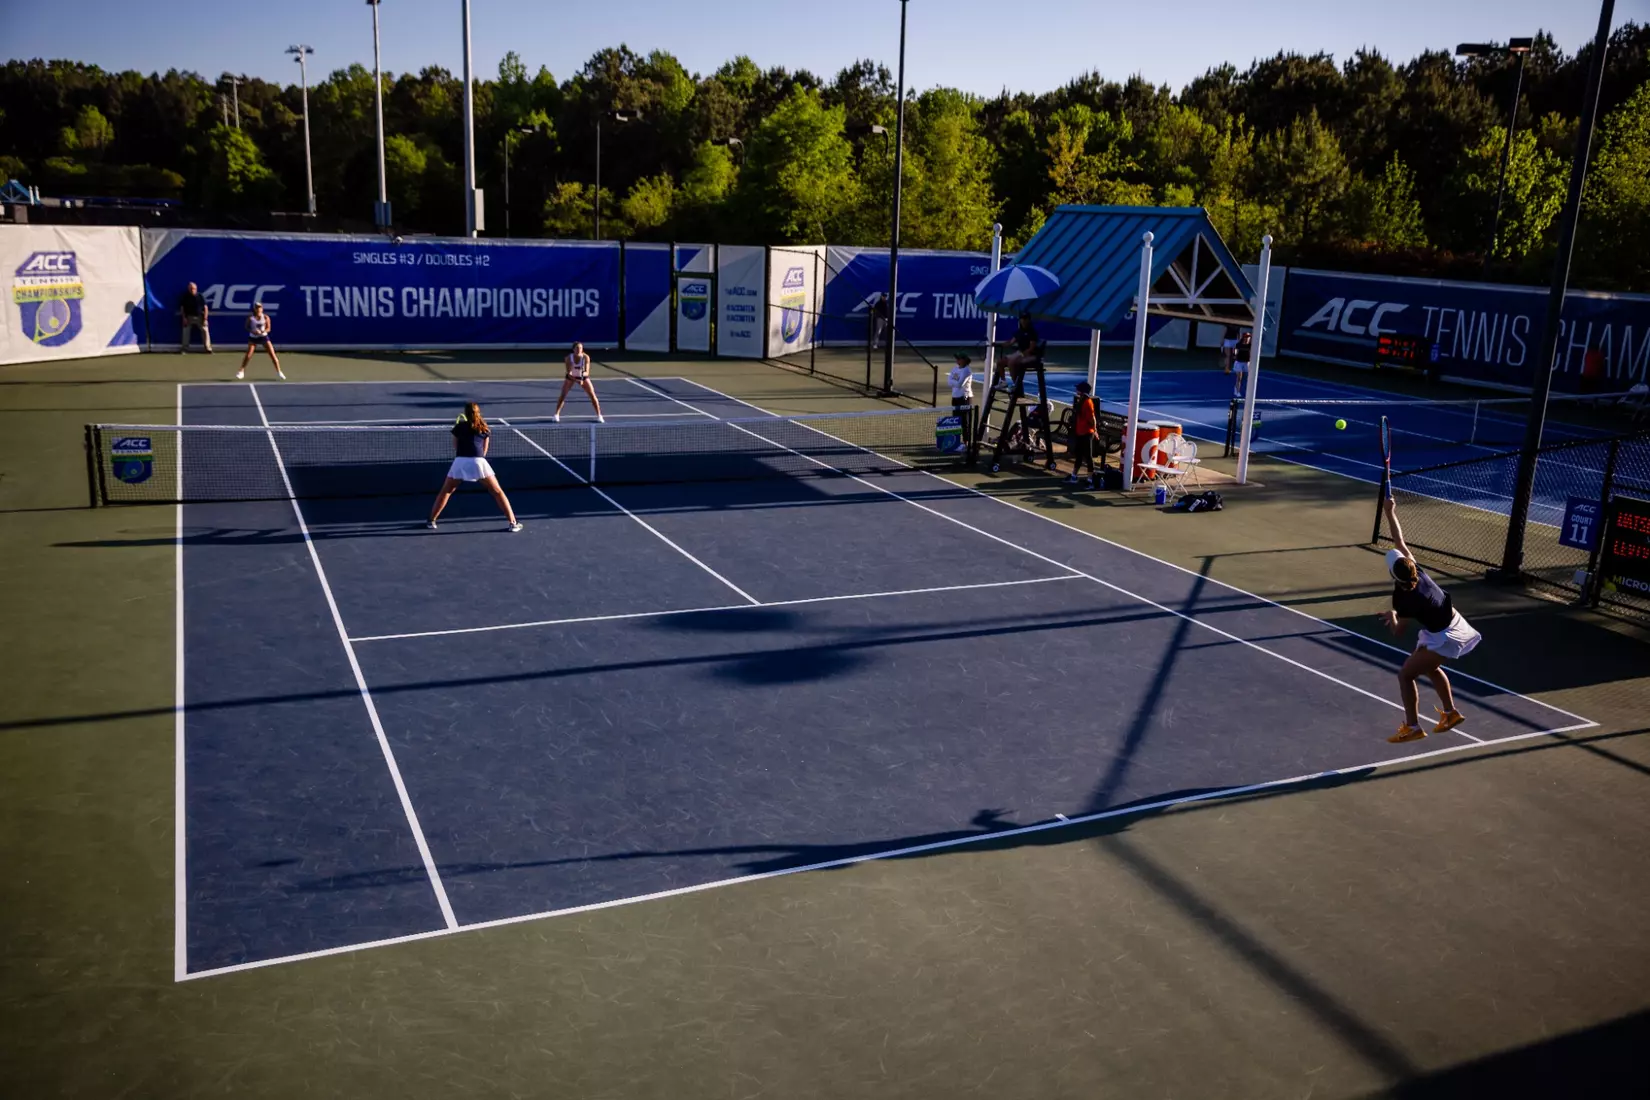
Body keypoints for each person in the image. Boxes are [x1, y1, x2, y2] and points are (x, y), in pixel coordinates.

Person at [1378, 496, 1481, 743]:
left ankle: (1412, 727)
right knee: (1431, 667)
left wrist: (1392, 616)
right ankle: (1451, 713)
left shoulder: (1404, 599)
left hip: (1445, 635)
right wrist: (1390, 512)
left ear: (1393, 574)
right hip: (1454, 622)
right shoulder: (1416, 569)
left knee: (1405, 675)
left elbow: (1398, 632)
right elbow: (1399, 541)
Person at [427, 402, 523, 532]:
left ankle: (431, 521)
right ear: (478, 413)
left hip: (460, 462)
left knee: (446, 491)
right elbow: (484, 451)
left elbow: (455, 446)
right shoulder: (484, 427)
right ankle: (513, 523)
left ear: (466, 413)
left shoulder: (459, 427)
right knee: (497, 492)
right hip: (479, 462)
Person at [553, 342, 604, 422]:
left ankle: (599, 415)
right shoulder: (568, 358)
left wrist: (582, 376)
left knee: (592, 395)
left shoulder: (586, 357)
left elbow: (587, 372)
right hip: (571, 377)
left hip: (583, 377)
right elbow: (569, 373)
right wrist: (577, 380)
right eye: (577, 348)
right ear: (573, 349)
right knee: (563, 395)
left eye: (580, 348)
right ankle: (556, 415)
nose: (579, 350)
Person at [235, 302, 284, 380]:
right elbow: (246, 327)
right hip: (253, 338)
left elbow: (269, 328)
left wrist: (262, 331)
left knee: (272, 355)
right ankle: (241, 371)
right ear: (255, 309)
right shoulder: (250, 318)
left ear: (262, 308)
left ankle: (279, 372)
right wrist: (253, 331)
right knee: (248, 355)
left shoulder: (265, 317)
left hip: (264, 337)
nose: (259, 309)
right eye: (257, 307)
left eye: (260, 307)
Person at [1065, 380, 1099, 489]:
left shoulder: (1087, 402)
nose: (1076, 390)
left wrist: (1094, 430)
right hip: (1080, 432)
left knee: (1088, 457)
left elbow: (1092, 419)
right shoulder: (1082, 400)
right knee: (1079, 455)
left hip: (1087, 433)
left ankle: (1090, 481)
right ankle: (1074, 476)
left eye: (1078, 388)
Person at [947, 352, 975, 446]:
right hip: (955, 397)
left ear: (963, 360)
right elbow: (949, 381)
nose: (957, 360)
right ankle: (955, 441)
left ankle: (966, 442)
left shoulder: (967, 371)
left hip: (965, 399)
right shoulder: (955, 368)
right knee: (955, 419)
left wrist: (954, 381)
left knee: (965, 422)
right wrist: (954, 382)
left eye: (958, 359)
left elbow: (959, 384)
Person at [178, 282, 211, 354]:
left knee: (205, 330)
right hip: (189, 318)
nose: (192, 290)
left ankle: (208, 348)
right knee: (185, 332)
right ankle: (184, 349)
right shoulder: (185, 297)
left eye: (193, 289)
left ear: (196, 289)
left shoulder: (200, 296)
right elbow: (182, 308)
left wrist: (205, 319)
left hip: (200, 317)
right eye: (190, 289)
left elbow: (205, 308)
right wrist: (184, 318)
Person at [1231, 329, 1253, 398]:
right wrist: (1235, 355)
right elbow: (1235, 353)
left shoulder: (1251, 346)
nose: (1247, 338)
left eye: (1249, 337)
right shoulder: (1239, 345)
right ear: (1243, 338)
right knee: (1239, 377)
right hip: (1239, 363)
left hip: (1247, 363)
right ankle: (1237, 391)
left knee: (1248, 377)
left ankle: (1248, 392)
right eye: (1246, 337)